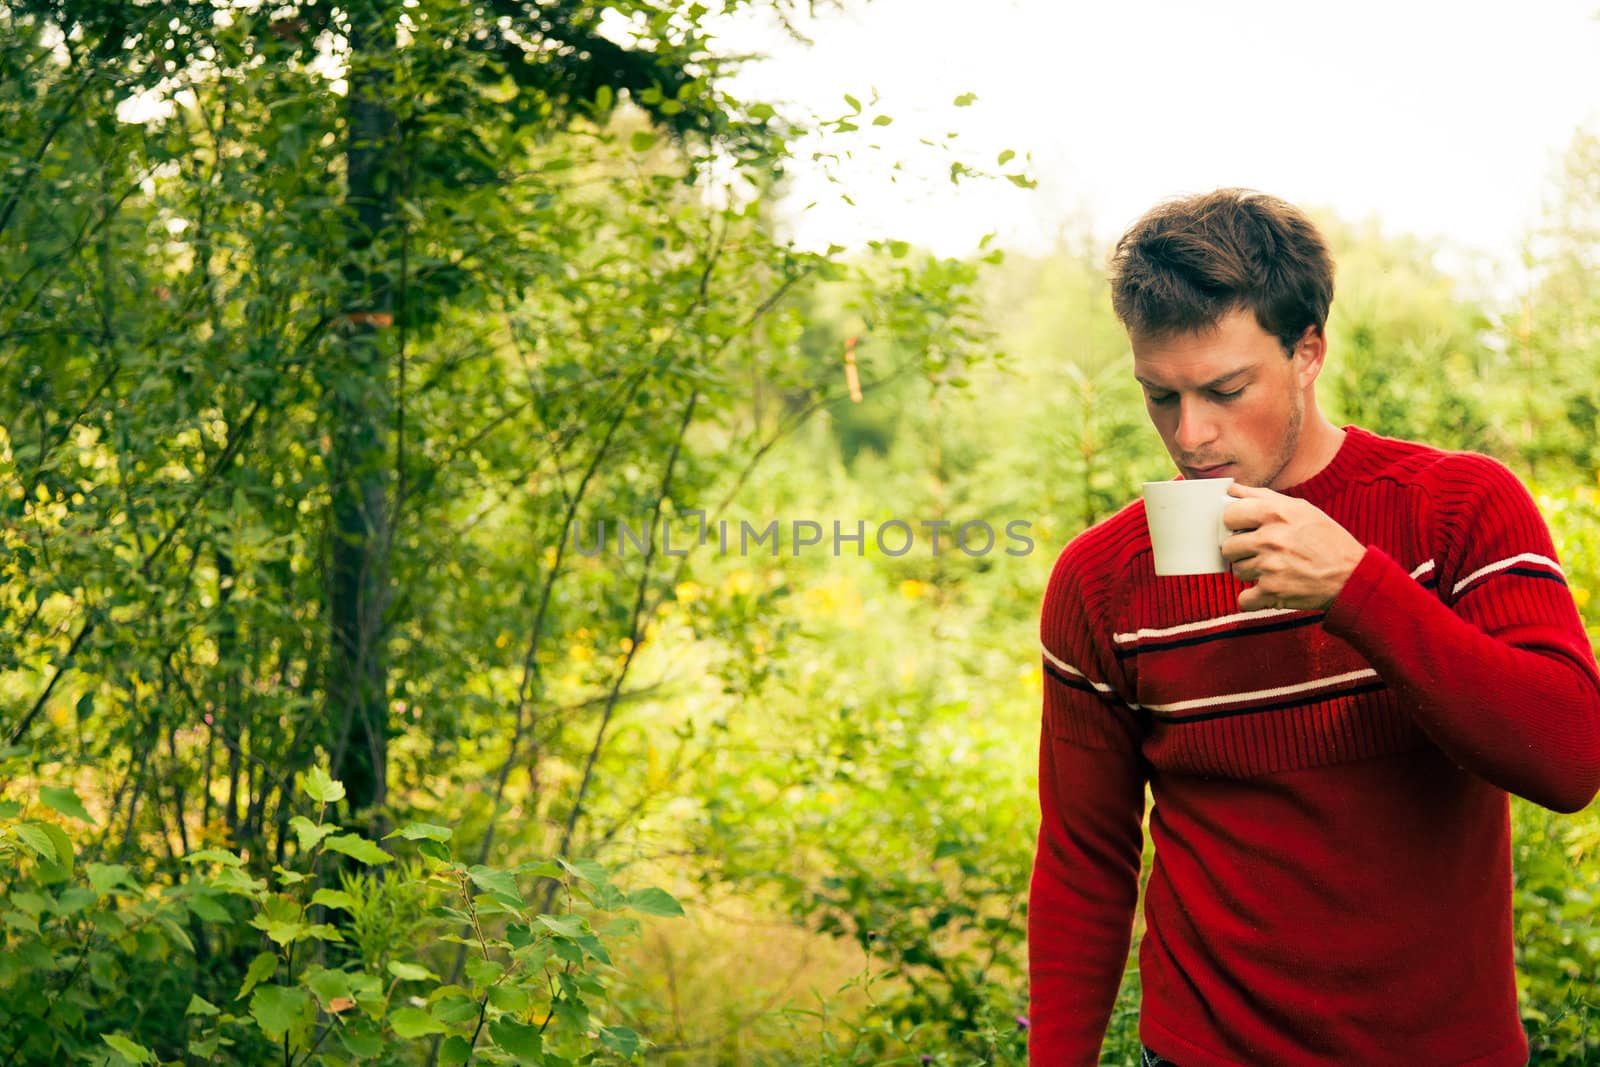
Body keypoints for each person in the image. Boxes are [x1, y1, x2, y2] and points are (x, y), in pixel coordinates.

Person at [1027, 188, 1600, 1066]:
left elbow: (1569, 759)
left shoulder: (1459, 512)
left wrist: (1360, 591)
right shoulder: (1101, 582)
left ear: (1308, 351)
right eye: (1161, 396)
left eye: (1225, 389)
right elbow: (1083, 864)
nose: (1191, 433)